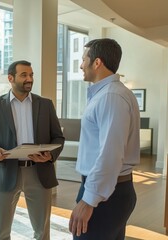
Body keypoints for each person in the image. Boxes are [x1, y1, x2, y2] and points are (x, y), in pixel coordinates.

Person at [0, 60, 64, 240]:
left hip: (39, 172)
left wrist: (50, 156)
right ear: (11, 78)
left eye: (31, 75)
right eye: (24, 75)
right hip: (6, 172)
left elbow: (58, 137)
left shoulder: (46, 104)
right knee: (1, 232)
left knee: (42, 232)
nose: (29, 79)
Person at [68, 38, 140, 240]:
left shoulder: (111, 97)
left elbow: (110, 154)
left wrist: (88, 200)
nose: (81, 65)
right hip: (110, 190)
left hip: (106, 195)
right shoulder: (112, 93)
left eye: (84, 60)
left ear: (97, 62)